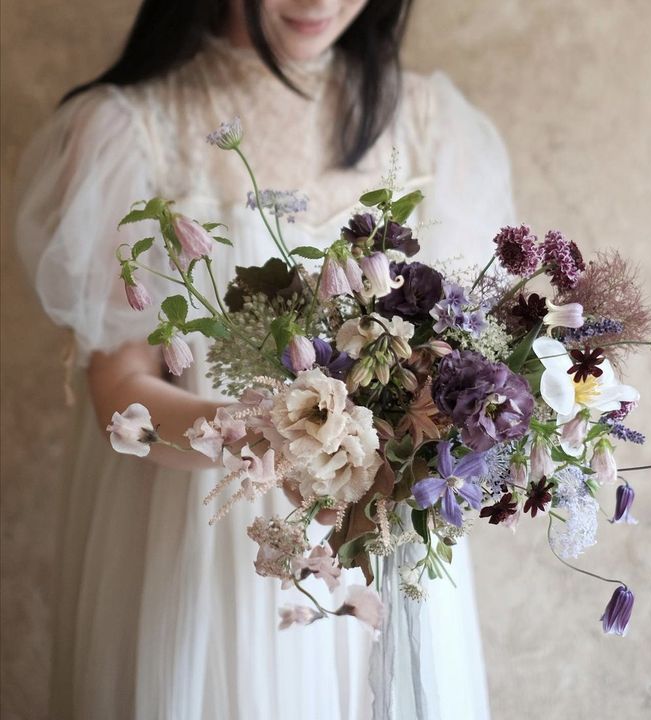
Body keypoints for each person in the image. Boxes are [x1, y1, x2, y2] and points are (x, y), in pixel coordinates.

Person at [15, 1, 516, 718]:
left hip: (385, 566)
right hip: (205, 551)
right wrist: (265, 435)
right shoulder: (132, 130)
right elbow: (118, 391)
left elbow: (464, 354)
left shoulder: (431, 122)